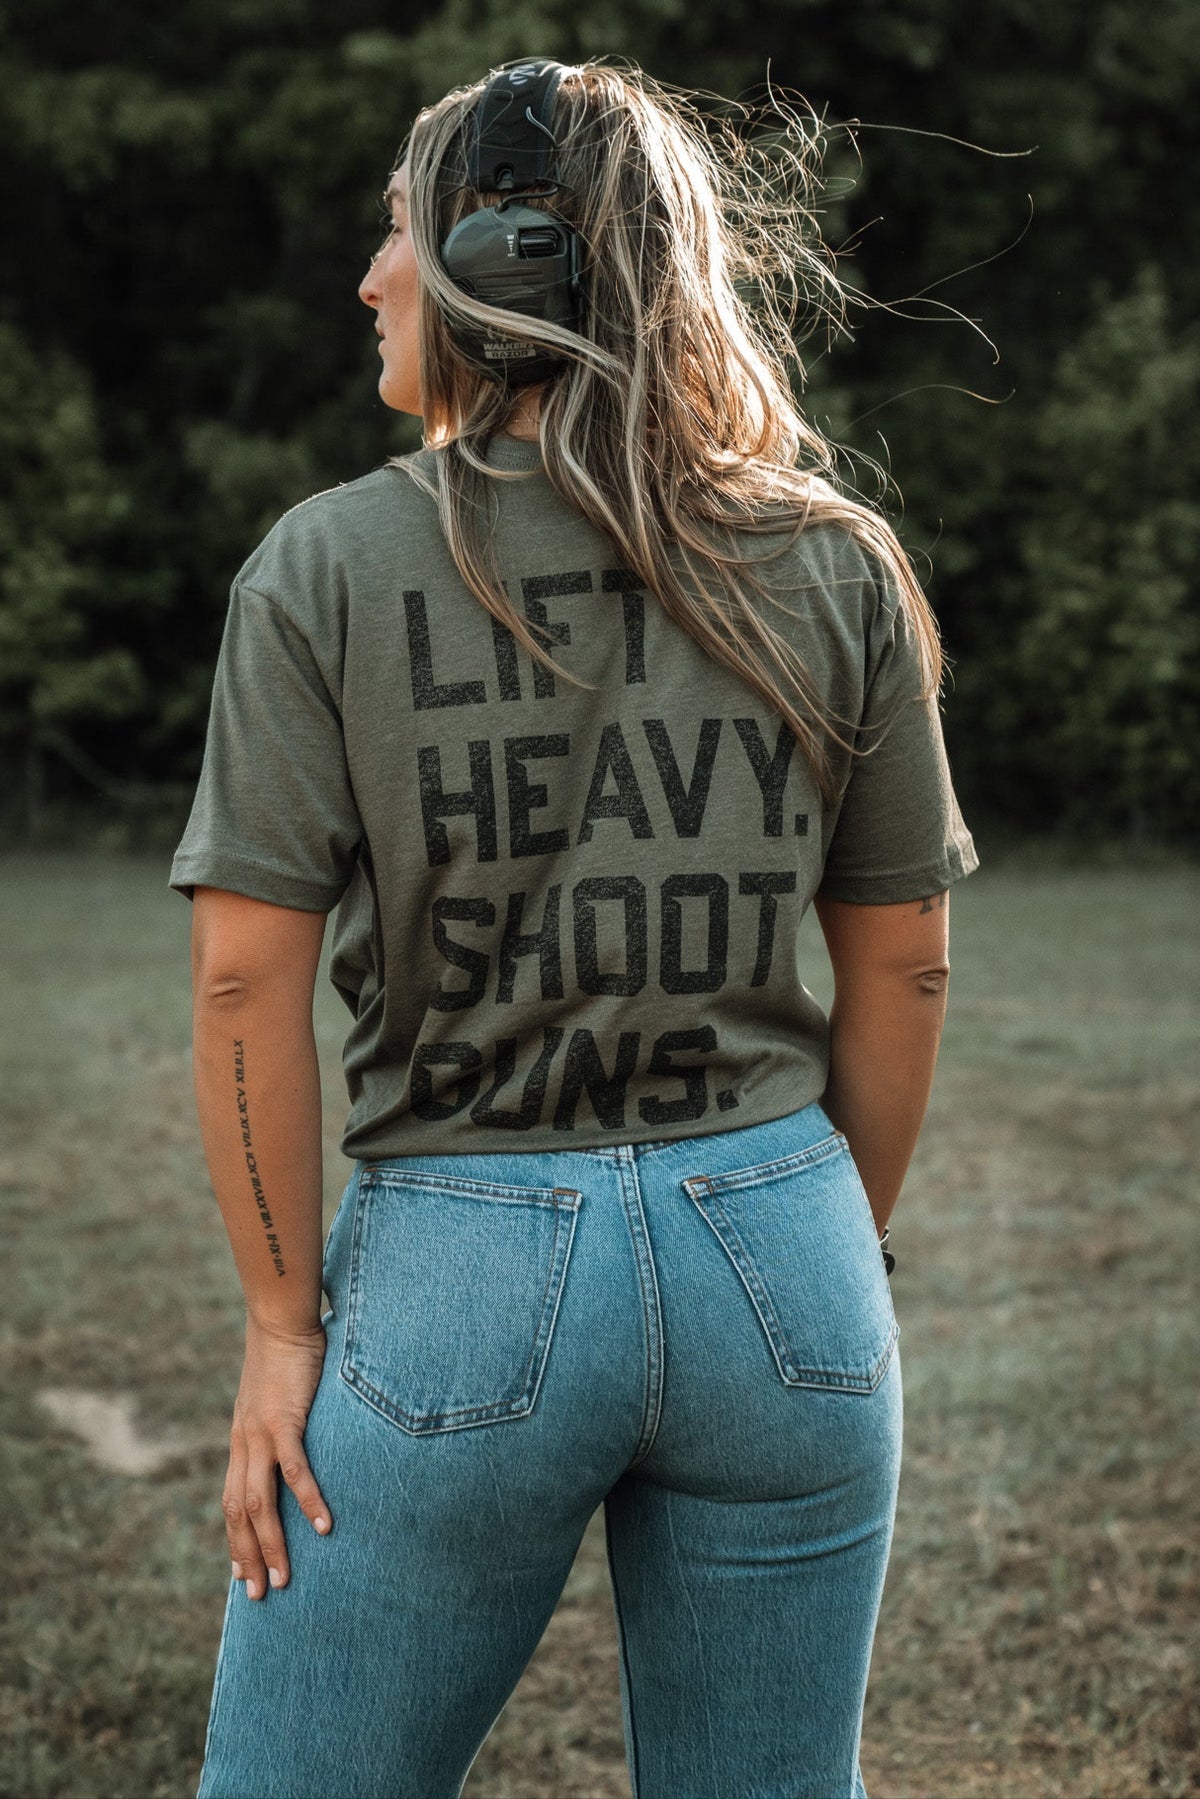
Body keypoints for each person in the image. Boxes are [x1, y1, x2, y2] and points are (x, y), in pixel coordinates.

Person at [169, 54, 978, 1799]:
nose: (368, 275)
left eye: (394, 231)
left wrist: (280, 1327)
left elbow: (245, 976)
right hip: (785, 1237)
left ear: (494, 259)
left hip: (464, 1268)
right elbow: (904, 958)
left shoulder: (319, 569)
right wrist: (810, 1230)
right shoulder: (835, 560)